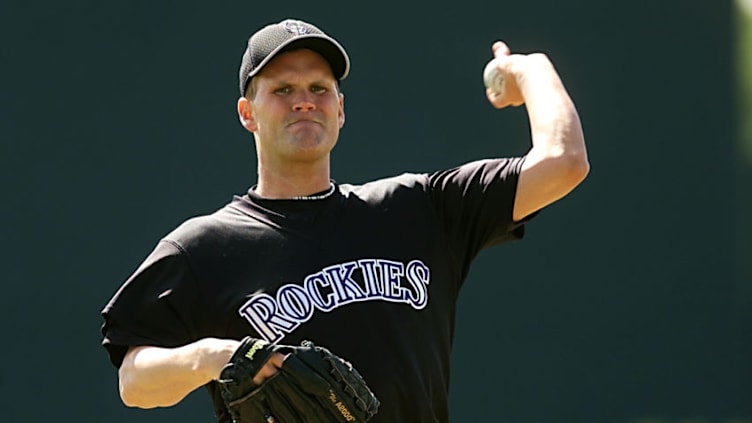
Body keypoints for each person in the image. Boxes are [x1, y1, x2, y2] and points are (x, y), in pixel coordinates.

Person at [100, 17, 589, 423]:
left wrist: (531, 71)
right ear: (247, 113)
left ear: (340, 110)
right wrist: (210, 357)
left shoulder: (418, 208)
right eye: (283, 88)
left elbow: (564, 163)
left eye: (319, 87)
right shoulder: (204, 247)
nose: (304, 100)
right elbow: (135, 381)